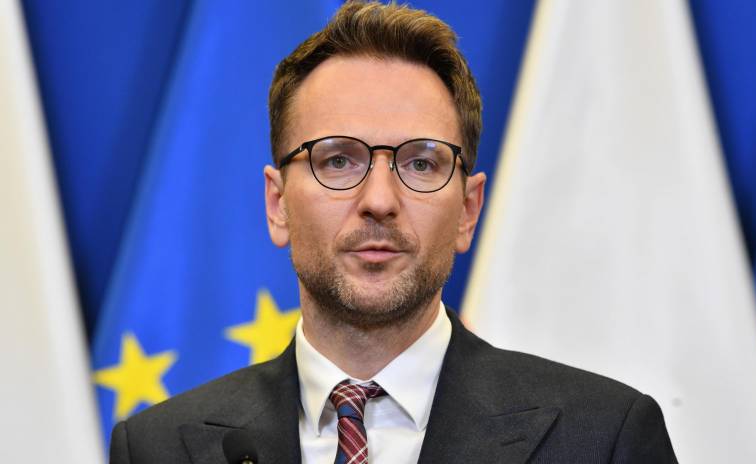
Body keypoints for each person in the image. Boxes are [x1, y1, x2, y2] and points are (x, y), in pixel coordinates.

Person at [109, 2, 677, 463]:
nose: (379, 201)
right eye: (337, 160)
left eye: (421, 163)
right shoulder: (160, 448)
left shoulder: (603, 438)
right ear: (277, 205)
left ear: (468, 210)